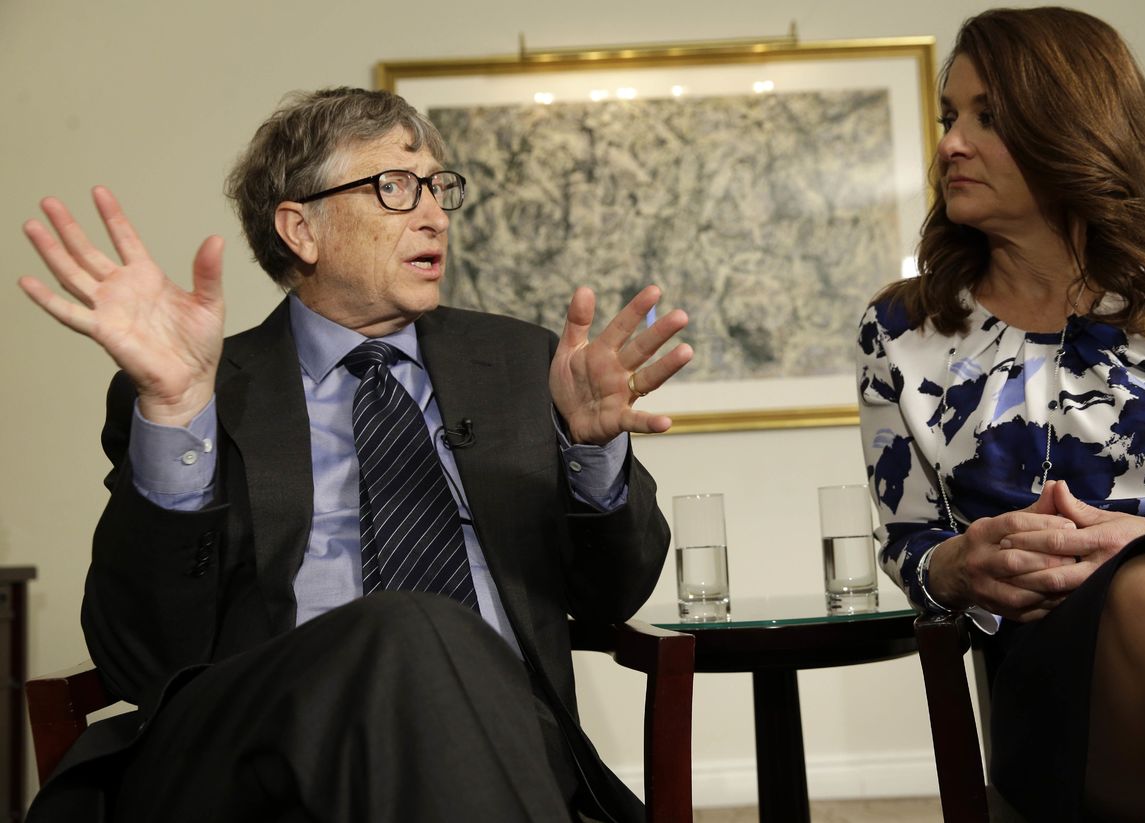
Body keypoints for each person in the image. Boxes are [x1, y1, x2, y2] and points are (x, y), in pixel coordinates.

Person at [17, 87, 693, 822]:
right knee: (408, 625)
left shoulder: (523, 365)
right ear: (300, 229)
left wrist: (590, 454)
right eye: (395, 188)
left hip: (499, 735)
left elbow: (611, 595)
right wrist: (178, 415)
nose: (434, 213)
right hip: (269, 753)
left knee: (436, 656)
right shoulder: (204, 388)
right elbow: (139, 658)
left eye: (439, 187)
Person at [856, 7, 1145, 821]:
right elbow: (910, 544)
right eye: (951, 117)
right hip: (1064, 694)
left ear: (1073, 126)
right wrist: (957, 565)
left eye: (988, 117)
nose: (950, 142)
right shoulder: (903, 333)